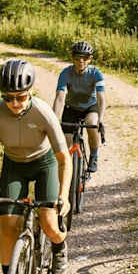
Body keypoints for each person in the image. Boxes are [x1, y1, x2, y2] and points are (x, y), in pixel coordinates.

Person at [0, 58, 71, 274]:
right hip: (14, 165)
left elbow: (64, 159)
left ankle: (59, 247)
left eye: (21, 97)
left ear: (30, 92)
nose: (15, 103)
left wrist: (64, 196)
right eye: (8, 98)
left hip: (44, 163)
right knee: (8, 226)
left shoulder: (43, 112)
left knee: (50, 223)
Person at [53, 40, 107, 175]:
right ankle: (66, 169)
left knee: (91, 124)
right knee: (66, 142)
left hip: (90, 107)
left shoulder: (96, 73)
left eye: (85, 58)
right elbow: (60, 97)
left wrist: (100, 119)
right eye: (77, 58)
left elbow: (101, 98)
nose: (81, 61)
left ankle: (94, 156)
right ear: (73, 58)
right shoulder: (65, 73)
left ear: (90, 59)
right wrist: (54, 119)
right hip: (71, 108)